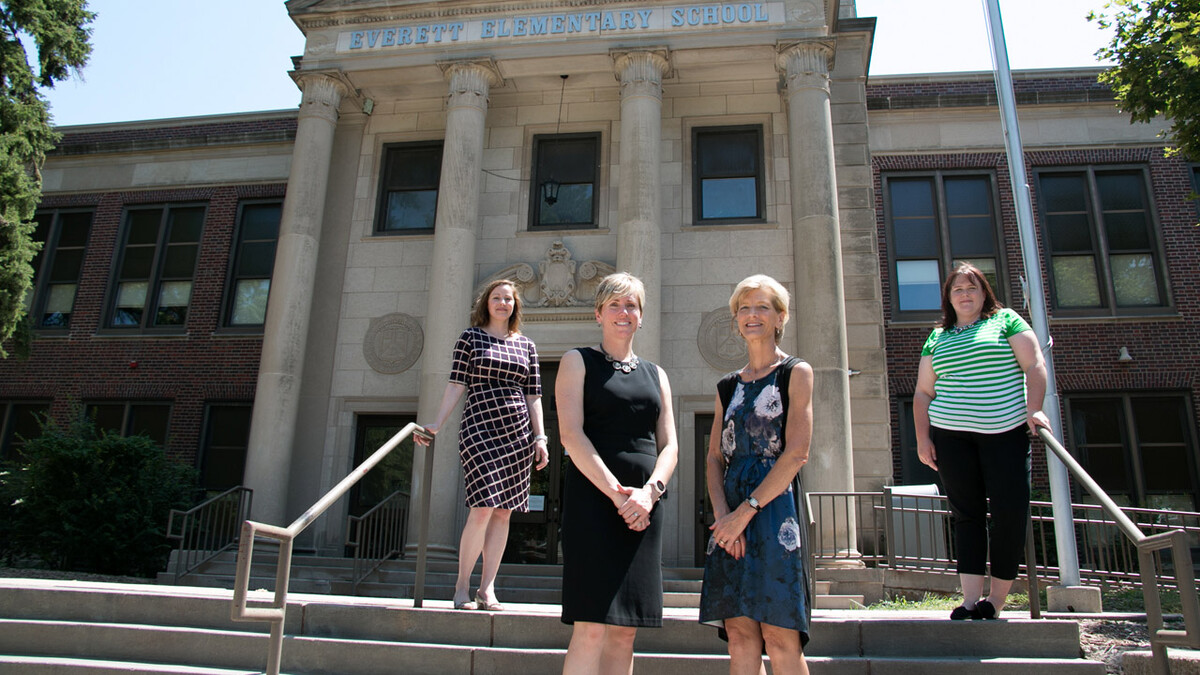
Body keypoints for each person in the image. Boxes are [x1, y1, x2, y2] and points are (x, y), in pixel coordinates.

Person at [556, 272, 678, 675]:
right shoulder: (577, 361)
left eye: (632, 306)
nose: (623, 313)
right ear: (598, 314)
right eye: (614, 305)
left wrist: (650, 493)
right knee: (590, 626)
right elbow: (571, 436)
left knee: (627, 628)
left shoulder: (657, 375)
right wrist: (616, 494)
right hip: (594, 501)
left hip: (644, 508)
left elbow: (670, 446)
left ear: (641, 317)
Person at [913, 262, 1050, 621]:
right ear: (948, 297)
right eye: (957, 289)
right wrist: (922, 439)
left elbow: (1034, 365)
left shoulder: (1005, 321)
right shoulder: (938, 335)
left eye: (972, 288)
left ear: (984, 292)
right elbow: (924, 392)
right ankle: (970, 600)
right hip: (951, 437)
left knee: (1009, 512)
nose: (965, 294)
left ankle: (997, 600)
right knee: (966, 516)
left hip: (1004, 432)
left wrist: (1034, 409)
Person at [699, 274, 815, 675]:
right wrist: (722, 519)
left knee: (781, 637)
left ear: (780, 317)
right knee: (740, 636)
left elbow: (797, 453)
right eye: (744, 308)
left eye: (763, 306)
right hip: (730, 520)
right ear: (736, 320)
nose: (752, 315)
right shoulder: (727, 386)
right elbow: (714, 457)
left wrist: (744, 513)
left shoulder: (795, 372)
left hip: (773, 511)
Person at [417, 279, 550, 611]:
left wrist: (541, 436)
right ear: (486, 303)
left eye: (508, 299)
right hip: (479, 429)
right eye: (496, 298)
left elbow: (534, 394)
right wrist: (436, 423)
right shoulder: (470, 338)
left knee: (504, 513)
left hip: (517, 433)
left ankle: (486, 589)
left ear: (515, 305)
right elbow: (455, 384)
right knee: (482, 508)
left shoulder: (527, 346)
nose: (503, 303)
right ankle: (462, 585)